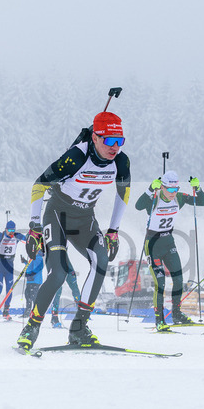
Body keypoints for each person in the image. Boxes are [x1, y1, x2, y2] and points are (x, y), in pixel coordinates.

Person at [17, 110, 132, 350]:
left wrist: (113, 230)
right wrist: (34, 227)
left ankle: (79, 328)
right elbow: (40, 184)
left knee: (101, 262)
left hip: (84, 219)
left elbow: (124, 195)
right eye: (110, 141)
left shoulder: (121, 161)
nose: (115, 147)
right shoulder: (76, 157)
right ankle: (32, 327)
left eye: (120, 141)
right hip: (57, 215)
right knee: (59, 273)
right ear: (96, 138)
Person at [138, 170, 204, 330]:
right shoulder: (154, 199)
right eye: (169, 189)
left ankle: (176, 314)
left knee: (178, 280)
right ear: (162, 187)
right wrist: (150, 188)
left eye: (175, 189)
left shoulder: (179, 198)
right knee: (160, 283)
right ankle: (159, 320)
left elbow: (202, 202)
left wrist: (198, 188)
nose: (172, 193)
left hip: (169, 242)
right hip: (153, 244)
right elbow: (138, 205)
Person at [0, 220, 26, 321]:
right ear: (6, 229)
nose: (11, 232)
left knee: (9, 289)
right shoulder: (1, 236)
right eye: (9, 230)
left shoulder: (17, 236)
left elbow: (28, 240)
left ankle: (6, 311)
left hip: (10, 266)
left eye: (13, 230)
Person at [49, 263, 80, 328]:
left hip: (66, 263)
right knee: (57, 292)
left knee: (75, 290)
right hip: (55, 264)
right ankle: (54, 318)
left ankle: (81, 315)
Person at [21, 251, 44, 318]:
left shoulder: (38, 258)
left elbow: (37, 268)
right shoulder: (33, 257)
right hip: (30, 280)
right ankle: (27, 312)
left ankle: (36, 313)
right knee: (27, 295)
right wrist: (25, 262)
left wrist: (31, 275)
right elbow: (30, 266)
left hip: (35, 280)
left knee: (34, 297)